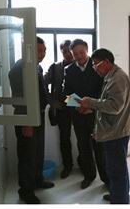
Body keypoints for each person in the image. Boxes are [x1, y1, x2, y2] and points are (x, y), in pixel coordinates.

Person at [79, 49, 130, 204]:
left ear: (107, 62)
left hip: (116, 133)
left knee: (117, 171)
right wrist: (92, 108)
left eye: (96, 64)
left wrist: (90, 102)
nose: (94, 68)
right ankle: (118, 195)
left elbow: (115, 106)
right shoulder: (110, 76)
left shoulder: (118, 78)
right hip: (112, 131)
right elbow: (109, 103)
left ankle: (120, 201)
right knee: (114, 169)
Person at [9, 37, 53, 204]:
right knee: (27, 155)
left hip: (38, 116)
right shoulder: (18, 69)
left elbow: (41, 91)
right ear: (27, 50)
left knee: (37, 152)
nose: (42, 54)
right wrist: (26, 121)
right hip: (26, 118)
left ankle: (37, 180)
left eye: (44, 50)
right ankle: (26, 191)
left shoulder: (37, 67)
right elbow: (19, 98)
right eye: (39, 51)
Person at [63, 39, 108, 189]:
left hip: (96, 116)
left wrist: (92, 107)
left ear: (87, 50)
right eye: (75, 54)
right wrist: (78, 107)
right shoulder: (69, 70)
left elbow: (104, 91)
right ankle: (89, 175)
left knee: (100, 148)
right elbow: (66, 94)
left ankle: (106, 179)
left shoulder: (97, 67)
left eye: (81, 52)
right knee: (83, 147)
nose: (79, 56)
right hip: (79, 116)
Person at [45, 39, 75, 178]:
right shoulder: (55, 67)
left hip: (79, 107)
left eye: (69, 51)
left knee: (84, 139)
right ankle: (67, 166)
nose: (68, 54)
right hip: (62, 109)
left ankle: (86, 166)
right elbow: (42, 84)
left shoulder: (80, 65)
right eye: (64, 52)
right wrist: (52, 102)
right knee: (64, 139)